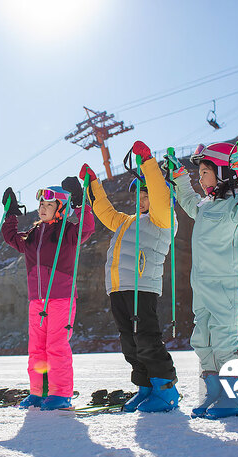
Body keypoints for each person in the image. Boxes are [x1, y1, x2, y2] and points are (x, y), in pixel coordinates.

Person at [164, 142, 238, 419]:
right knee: (203, 339)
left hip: (227, 282)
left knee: (225, 339)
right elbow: (188, 201)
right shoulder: (208, 205)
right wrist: (180, 177)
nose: (201, 177)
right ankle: (215, 391)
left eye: (205, 172)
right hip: (202, 283)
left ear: (223, 173)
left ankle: (236, 397)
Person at [81, 141, 180, 412]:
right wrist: (93, 185)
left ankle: (166, 389)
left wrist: (148, 163)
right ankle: (146, 387)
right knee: (130, 343)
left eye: (145, 195)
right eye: (140, 196)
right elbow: (105, 212)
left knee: (147, 339)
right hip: (118, 288)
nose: (142, 200)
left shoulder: (163, 219)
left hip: (142, 287)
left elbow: (160, 194)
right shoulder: (127, 221)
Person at [1, 178, 95, 410]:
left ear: (61, 209)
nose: (42, 208)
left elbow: (87, 227)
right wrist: (11, 213)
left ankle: (61, 393)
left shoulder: (69, 231)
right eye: (41, 204)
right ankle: (38, 392)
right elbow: (11, 237)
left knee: (56, 346)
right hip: (37, 300)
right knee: (37, 349)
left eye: (48, 205)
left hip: (61, 298)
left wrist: (81, 202)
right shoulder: (33, 234)